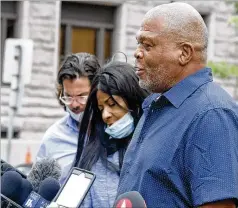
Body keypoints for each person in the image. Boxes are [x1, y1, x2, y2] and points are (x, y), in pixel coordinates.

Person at [117, 2, 238, 208]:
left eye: (148, 45)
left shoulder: (212, 115)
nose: (137, 53)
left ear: (184, 53)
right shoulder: (157, 104)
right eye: (138, 44)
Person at [73, 61, 149, 207]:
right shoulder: (94, 158)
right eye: (101, 108)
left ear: (134, 102)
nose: (105, 115)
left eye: (112, 104)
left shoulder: (155, 152)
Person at [36, 53, 100, 184]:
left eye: (82, 97)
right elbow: (38, 190)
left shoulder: (114, 131)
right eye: (68, 97)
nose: (74, 104)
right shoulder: (53, 138)